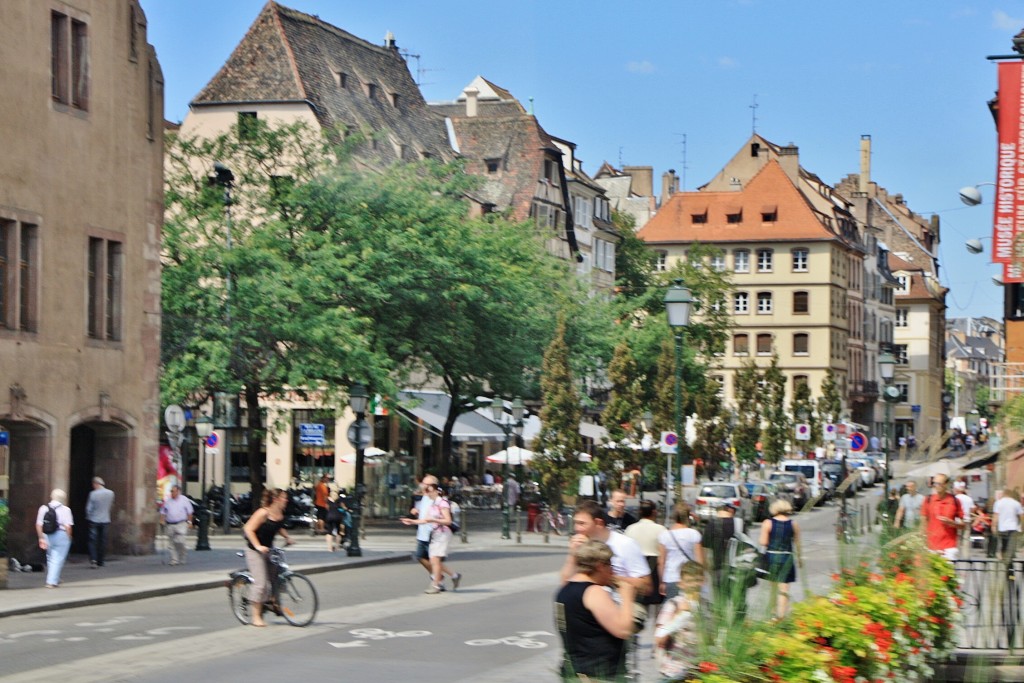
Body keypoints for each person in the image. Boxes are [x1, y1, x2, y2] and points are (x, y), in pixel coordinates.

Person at [555, 539, 636, 681]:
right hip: (597, 674)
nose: (612, 570)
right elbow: (623, 630)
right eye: (610, 565)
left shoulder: (564, 590)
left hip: (574, 671)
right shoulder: (593, 592)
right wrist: (627, 597)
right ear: (599, 566)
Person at [561, 499, 651, 597]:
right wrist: (572, 555)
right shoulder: (581, 545)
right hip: (587, 602)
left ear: (598, 523)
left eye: (582, 523)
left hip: (619, 601)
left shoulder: (625, 543)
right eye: (575, 523)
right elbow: (565, 583)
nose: (576, 528)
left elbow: (646, 586)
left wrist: (608, 577)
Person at [242, 488, 294, 627]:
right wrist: (258, 546)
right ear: (276, 499)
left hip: (268, 549)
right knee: (261, 583)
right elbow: (248, 529)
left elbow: (278, 526)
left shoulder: (279, 513)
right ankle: (256, 617)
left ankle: (272, 602)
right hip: (254, 550)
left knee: (278, 576)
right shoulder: (263, 512)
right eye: (284, 497)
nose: (286, 500)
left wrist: (287, 537)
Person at [401, 476, 461, 593]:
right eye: (423, 483)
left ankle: (438, 582)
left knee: (435, 560)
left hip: (434, 533)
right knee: (421, 557)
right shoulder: (424, 498)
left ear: (433, 487)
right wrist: (413, 517)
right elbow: (424, 517)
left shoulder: (439, 500)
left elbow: (444, 519)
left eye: (426, 484)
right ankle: (450, 576)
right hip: (422, 532)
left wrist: (432, 520)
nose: (423, 486)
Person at [653, 561, 705, 682]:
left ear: (703, 581)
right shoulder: (673, 605)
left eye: (697, 580)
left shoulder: (706, 606)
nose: (694, 585)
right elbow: (658, 638)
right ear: (681, 584)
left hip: (698, 669)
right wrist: (679, 616)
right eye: (689, 581)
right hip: (674, 671)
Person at [701, 500, 748, 623]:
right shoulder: (741, 524)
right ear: (731, 510)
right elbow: (747, 548)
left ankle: (721, 633)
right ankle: (738, 630)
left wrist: (706, 569)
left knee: (720, 605)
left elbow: (705, 550)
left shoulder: (711, 524)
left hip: (718, 570)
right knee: (739, 605)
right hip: (738, 571)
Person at [758, 499, 801, 619]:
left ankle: (773, 614)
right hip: (787, 557)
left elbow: (763, 542)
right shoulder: (793, 524)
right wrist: (800, 560)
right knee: (784, 590)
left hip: (772, 556)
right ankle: (781, 616)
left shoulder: (768, 523)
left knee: (773, 588)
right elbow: (797, 543)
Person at [625, 499, 667, 622]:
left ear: (640, 512)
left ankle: (635, 636)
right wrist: (662, 581)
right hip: (654, 569)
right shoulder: (661, 530)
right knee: (657, 611)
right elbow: (662, 559)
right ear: (654, 512)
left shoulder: (630, 529)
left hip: (636, 571)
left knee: (637, 607)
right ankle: (656, 635)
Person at [658, 502, 705, 600]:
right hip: (690, 578)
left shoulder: (665, 535)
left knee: (672, 608)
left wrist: (662, 582)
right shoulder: (694, 534)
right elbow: (700, 561)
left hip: (670, 578)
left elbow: (661, 562)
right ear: (688, 517)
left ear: (674, 517)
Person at [920, 474, 965, 560]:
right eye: (935, 483)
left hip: (949, 546)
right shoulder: (928, 499)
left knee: (948, 573)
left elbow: (963, 525)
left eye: (939, 484)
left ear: (946, 485)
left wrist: (952, 523)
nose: (937, 486)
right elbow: (923, 522)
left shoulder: (955, 501)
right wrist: (921, 542)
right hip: (931, 545)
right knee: (931, 573)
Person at [36, 488, 73, 588]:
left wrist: (41, 538)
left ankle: (55, 577)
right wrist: (69, 537)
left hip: (47, 535)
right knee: (58, 558)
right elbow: (68, 526)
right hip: (61, 535)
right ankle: (51, 581)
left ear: (52, 497)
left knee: (50, 557)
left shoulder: (43, 508)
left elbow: (39, 524)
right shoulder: (66, 510)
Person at [159, 484, 194, 566]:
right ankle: (174, 560)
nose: (171, 493)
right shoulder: (168, 501)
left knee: (180, 541)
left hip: (181, 523)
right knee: (171, 543)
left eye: (173, 491)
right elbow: (163, 512)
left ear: (178, 491)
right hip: (170, 524)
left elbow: (190, 512)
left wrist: (189, 522)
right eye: (171, 491)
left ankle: (182, 556)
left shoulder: (184, 500)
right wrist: (162, 520)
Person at [85, 476, 115, 568]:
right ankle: (101, 560)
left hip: (94, 520)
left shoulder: (93, 494)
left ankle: (93, 559)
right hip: (105, 519)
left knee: (93, 541)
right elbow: (111, 505)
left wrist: (88, 516)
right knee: (103, 541)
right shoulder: (111, 493)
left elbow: (88, 508)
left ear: (96, 484)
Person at [992, 488, 1023, 561]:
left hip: (1002, 528)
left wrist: (993, 526)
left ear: (1004, 494)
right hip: (1013, 528)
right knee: (1011, 546)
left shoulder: (998, 503)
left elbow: (996, 515)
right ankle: (1009, 560)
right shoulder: (1016, 503)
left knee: (1003, 544)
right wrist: (1022, 526)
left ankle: (1004, 558)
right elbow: (1021, 516)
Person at [953, 481, 976, 556]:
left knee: (957, 538)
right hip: (967, 520)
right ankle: (965, 555)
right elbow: (972, 510)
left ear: (956, 489)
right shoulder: (969, 498)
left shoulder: (954, 498)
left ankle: (956, 554)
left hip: (957, 521)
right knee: (966, 538)